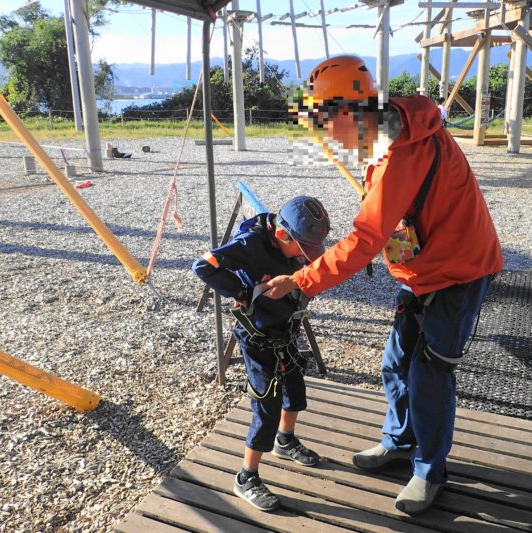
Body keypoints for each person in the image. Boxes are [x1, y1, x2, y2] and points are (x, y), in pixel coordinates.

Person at [263, 55, 503, 514]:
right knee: (395, 362)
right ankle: (399, 441)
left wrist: (300, 281)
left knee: (429, 374)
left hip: (460, 272)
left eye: (330, 122)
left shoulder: (403, 149)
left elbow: (366, 238)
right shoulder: (386, 135)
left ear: (353, 111)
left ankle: (429, 470)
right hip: (421, 271)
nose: (330, 135)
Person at [192, 195, 331, 512]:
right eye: (303, 250)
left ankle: (285, 440)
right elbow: (203, 265)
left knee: (295, 391)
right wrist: (241, 292)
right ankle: (246, 477)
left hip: (286, 330)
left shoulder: (290, 242)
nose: (305, 259)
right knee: (266, 405)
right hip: (257, 339)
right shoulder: (250, 244)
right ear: (283, 235)